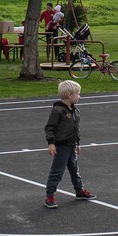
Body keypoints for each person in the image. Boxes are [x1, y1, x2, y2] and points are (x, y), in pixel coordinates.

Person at [43, 79, 94, 208]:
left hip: (71, 145)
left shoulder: (75, 111)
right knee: (57, 172)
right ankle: (50, 196)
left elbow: (75, 129)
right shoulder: (58, 110)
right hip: (61, 146)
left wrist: (77, 143)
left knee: (75, 170)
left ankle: (79, 190)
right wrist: (51, 143)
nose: (79, 96)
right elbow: (50, 127)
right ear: (70, 95)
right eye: (78, 93)